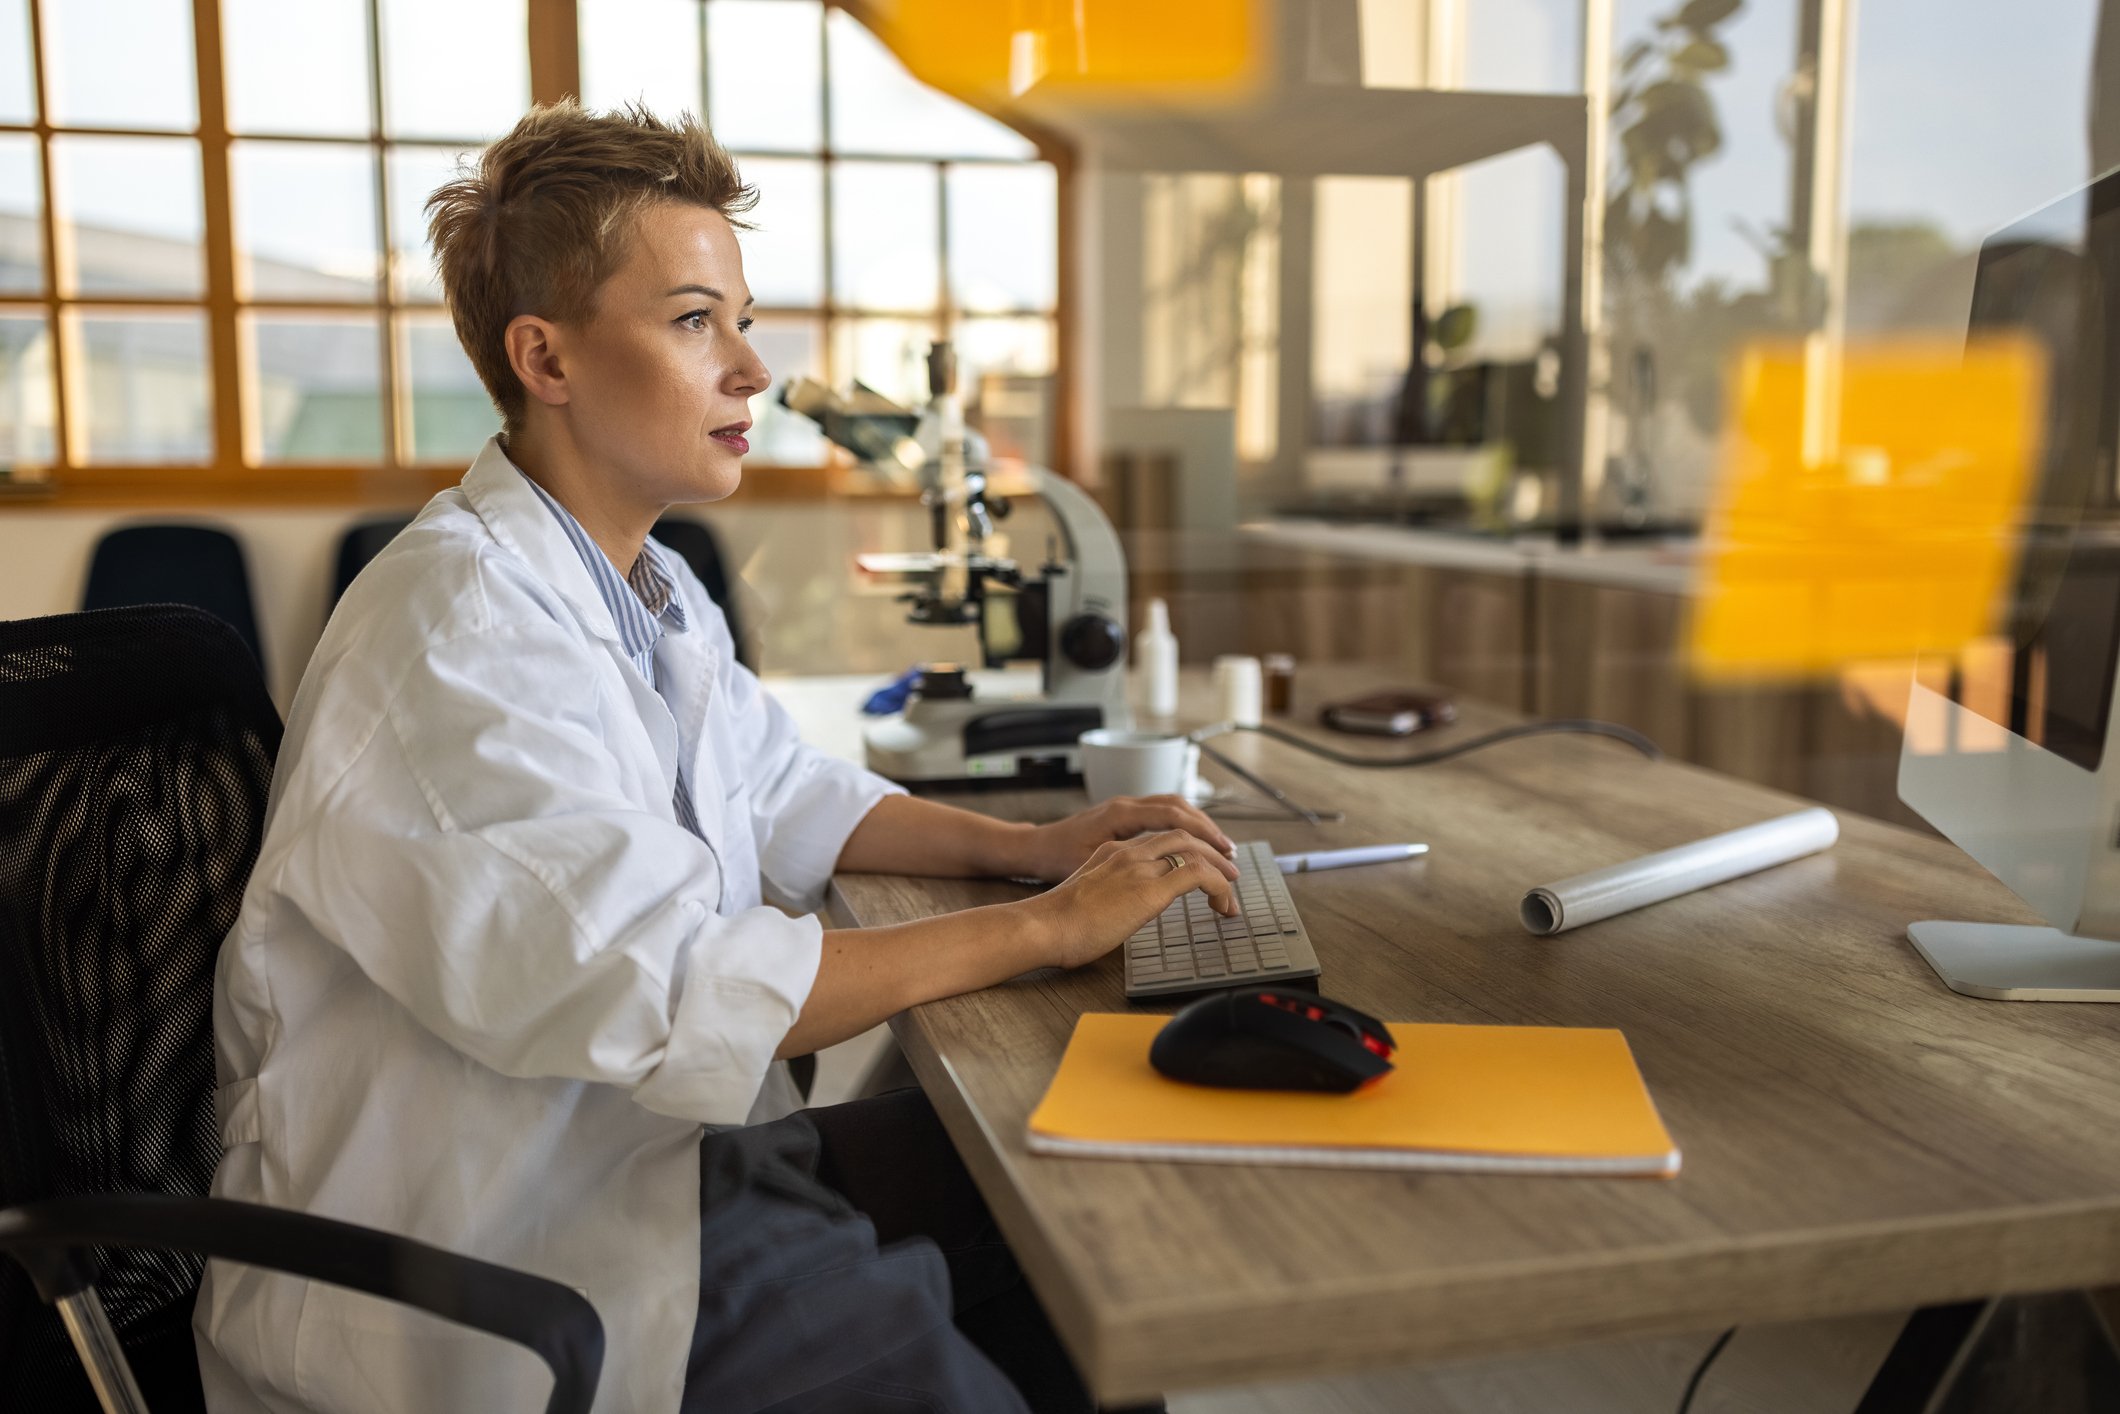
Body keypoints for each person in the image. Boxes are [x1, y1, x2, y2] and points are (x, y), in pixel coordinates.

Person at [191, 101, 1237, 1414]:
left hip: (659, 1162)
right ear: (547, 358)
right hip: (503, 1256)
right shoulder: (456, 634)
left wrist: (1032, 847)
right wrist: (1046, 926)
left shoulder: (649, 585)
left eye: (739, 318)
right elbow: (676, 987)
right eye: (696, 321)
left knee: (1078, 1198)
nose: (751, 369)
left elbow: (788, 788)